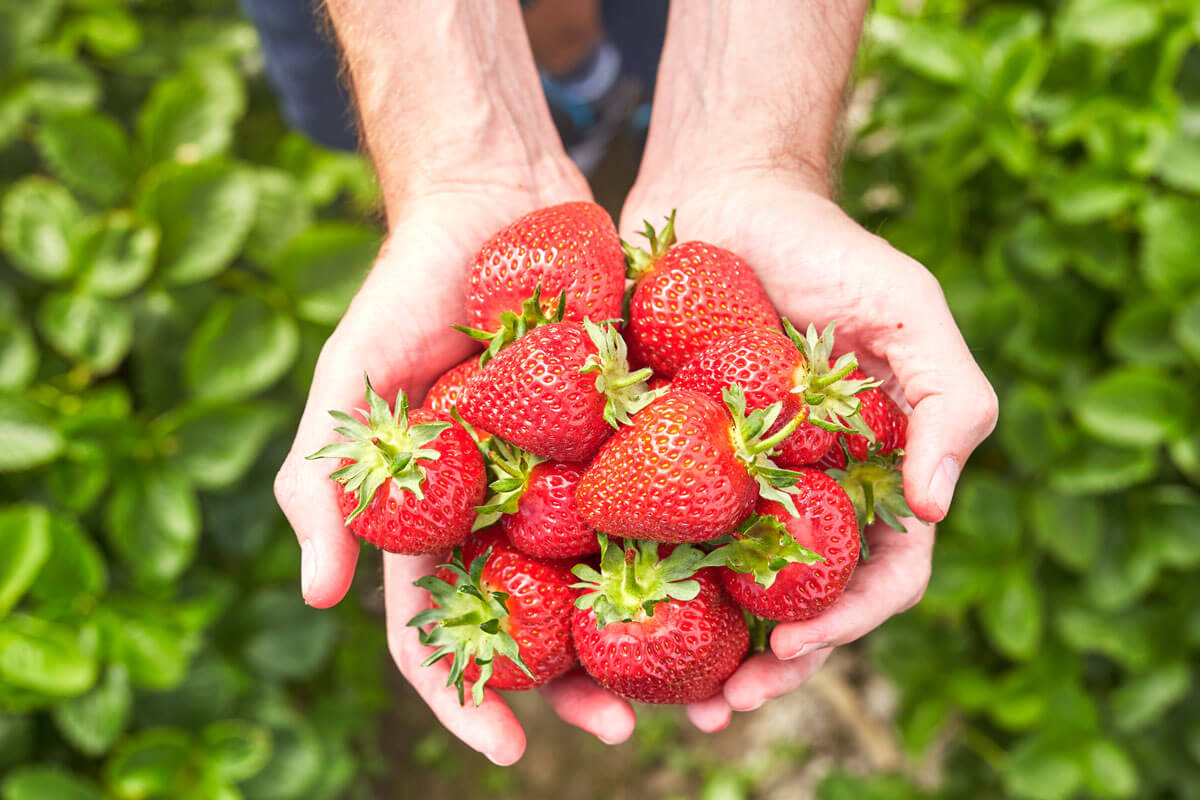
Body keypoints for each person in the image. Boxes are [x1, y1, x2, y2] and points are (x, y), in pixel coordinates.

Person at [263, 0, 999, 766]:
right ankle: (588, 116)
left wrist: (748, 150)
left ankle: (616, 109)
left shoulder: (656, 434)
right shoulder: (650, 434)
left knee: (646, 62)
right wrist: (458, 167)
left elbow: (600, 463)